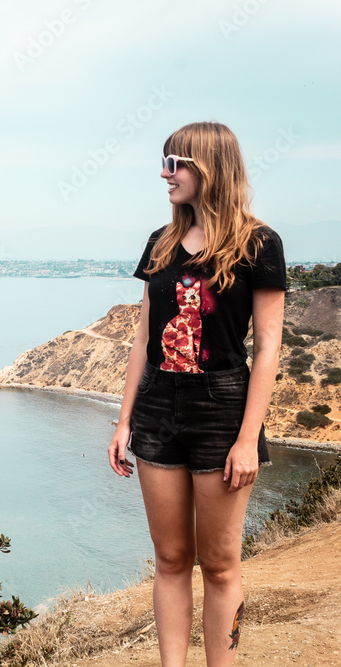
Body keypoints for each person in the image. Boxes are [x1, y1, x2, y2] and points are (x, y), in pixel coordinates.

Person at [107, 121, 287, 667]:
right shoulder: (160, 243)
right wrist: (123, 423)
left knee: (221, 562)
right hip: (158, 405)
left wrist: (248, 438)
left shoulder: (259, 243)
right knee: (170, 557)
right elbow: (142, 337)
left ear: (209, 166)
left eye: (176, 162)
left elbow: (269, 349)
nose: (165, 174)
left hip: (223, 407)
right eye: (164, 162)